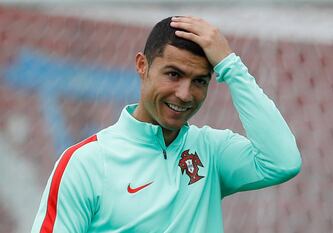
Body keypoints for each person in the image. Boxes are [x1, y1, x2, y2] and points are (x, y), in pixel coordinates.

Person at [31, 16, 302, 233]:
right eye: (174, 74)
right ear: (142, 65)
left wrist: (230, 65)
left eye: (199, 81)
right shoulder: (86, 162)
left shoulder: (212, 151)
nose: (185, 94)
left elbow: (282, 162)